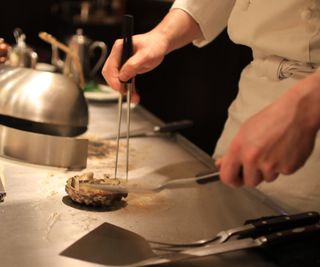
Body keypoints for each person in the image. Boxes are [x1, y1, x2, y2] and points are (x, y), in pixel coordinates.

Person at [102, 0, 320, 212]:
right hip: (252, 98)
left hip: (312, 131)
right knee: (223, 214)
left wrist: (303, 107)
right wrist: (162, 35)